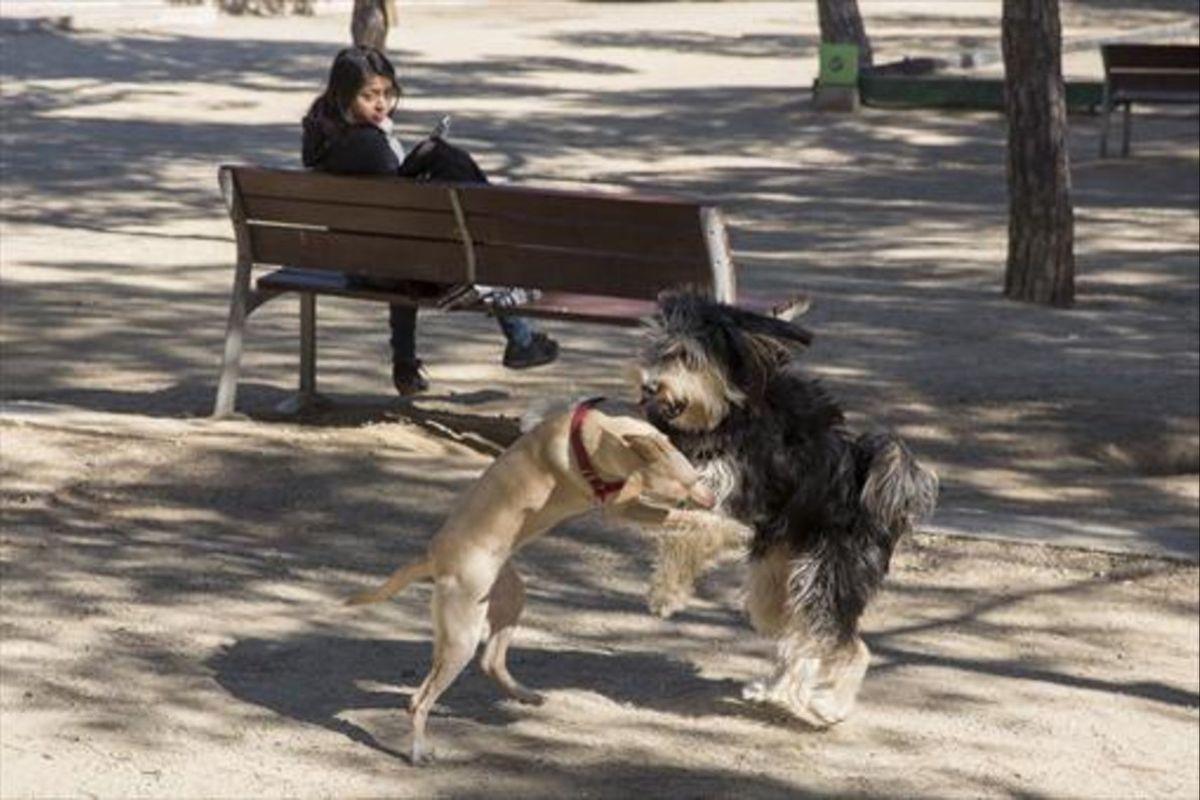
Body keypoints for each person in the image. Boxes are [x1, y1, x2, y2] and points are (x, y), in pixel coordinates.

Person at [300, 46, 558, 396]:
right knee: (473, 230)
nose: (382, 104)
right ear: (344, 95)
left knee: (405, 244)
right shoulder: (370, 146)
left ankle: (405, 365)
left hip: (360, 262)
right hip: (397, 268)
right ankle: (521, 340)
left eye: (388, 94)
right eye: (369, 96)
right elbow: (402, 202)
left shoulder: (323, 134)